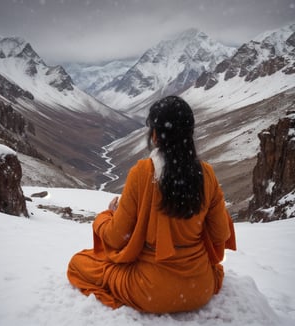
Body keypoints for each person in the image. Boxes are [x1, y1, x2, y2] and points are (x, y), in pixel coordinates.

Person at [67, 95, 236, 313]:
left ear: (156, 135)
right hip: (200, 288)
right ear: (189, 134)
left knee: (79, 262)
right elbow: (220, 234)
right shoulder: (207, 174)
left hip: (151, 291)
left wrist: (104, 218)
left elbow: (117, 237)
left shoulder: (142, 172)